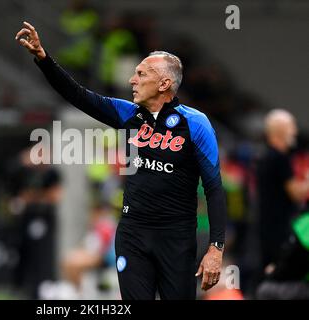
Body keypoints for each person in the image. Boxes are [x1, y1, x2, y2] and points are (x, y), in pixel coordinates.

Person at [15, 21, 227, 300]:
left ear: (164, 83)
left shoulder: (196, 124)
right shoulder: (129, 114)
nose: (132, 80)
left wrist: (216, 248)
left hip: (176, 237)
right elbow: (78, 95)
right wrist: (43, 59)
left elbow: (214, 187)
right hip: (132, 234)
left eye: (141, 73)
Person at [256, 109, 309, 269]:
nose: (295, 131)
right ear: (280, 130)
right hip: (279, 228)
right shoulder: (279, 158)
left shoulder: (265, 155)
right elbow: (297, 194)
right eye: (291, 126)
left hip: (267, 225)